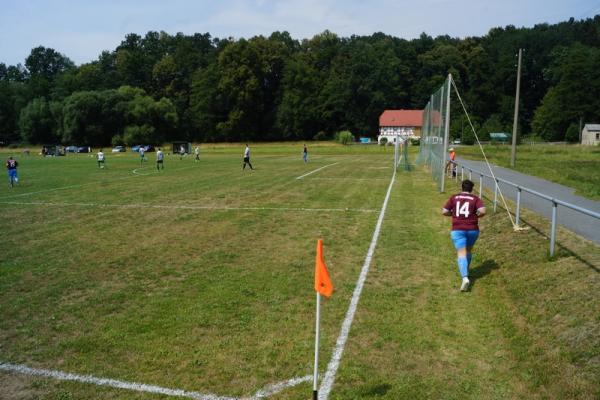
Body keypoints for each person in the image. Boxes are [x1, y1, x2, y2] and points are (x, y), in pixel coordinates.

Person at [442, 179, 486, 291]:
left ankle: (465, 277)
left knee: (461, 252)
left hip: (458, 229)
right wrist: (477, 216)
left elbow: (444, 211)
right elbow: (483, 211)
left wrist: (453, 214)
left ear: (462, 187)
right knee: (468, 250)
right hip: (472, 229)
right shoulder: (475, 199)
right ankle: (466, 269)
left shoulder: (454, 197)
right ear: (471, 189)